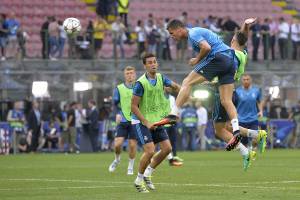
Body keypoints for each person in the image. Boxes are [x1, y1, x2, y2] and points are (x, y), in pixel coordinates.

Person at [157, 19, 241, 143]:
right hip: (230, 61)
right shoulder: (196, 33)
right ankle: (236, 129)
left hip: (218, 57)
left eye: (172, 33)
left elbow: (206, 48)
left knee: (187, 82)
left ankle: (173, 114)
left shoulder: (193, 33)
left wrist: (197, 60)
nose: (172, 36)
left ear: (179, 29)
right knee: (226, 101)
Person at [212, 18, 267, 170]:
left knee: (219, 130)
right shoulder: (242, 53)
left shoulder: (229, 54)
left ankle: (246, 151)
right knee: (227, 126)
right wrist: (246, 25)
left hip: (224, 91)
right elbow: (242, 37)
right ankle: (256, 135)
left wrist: (209, 78)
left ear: (234, 39)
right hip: (233, 90)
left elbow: (224, 72)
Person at [131, 53, 180, 193]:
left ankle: (147, 174)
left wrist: (186, 89)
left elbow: (176, 86)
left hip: (157, 121)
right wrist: (146, 122)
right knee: (150, 150)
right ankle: (138, 181)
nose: (153, 64)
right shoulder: (141, 83)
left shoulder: (161, 78)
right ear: (145, 66)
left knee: (167, 149)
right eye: (150, 62)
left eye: (154, 62)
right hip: (141, 121)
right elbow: (133, 106)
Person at [108, 66, 137, 175]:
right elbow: (114, 104)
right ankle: (117, 159)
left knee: (132, 145)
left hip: (135, 121)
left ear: (135, 75)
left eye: (131, 73)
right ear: (125, 75)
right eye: (127, 73)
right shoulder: (119, 88)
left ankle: (130, 166)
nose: (130, 75)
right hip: (123, 120)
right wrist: (116, 114)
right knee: (117, 144)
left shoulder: (140, 87)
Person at [235, 74, 263, 147]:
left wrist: (260, 111)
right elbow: (233, 104)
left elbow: (259, 102)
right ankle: (247, 155)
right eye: (244, 79)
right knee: (244, 142)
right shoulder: (237, 91)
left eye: (247, 79)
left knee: (255, 138)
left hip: (253, 119)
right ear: (242, 81)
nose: (246, 81)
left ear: (251, 80)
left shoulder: (256, 91)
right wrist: (235, 113)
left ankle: (254, 151)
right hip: (241, 119)